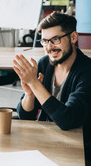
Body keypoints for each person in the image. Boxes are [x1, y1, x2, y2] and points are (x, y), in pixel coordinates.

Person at [13, 12, 91, 165]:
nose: (49, 47)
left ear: (73, 37)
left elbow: (68, 120)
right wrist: (29, 94)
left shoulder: (87, 71)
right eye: (45, 41)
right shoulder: (44, 64)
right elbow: (25, 116)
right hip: (46, 144)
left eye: (55, 39)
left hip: (79, 150)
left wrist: (35, 84)